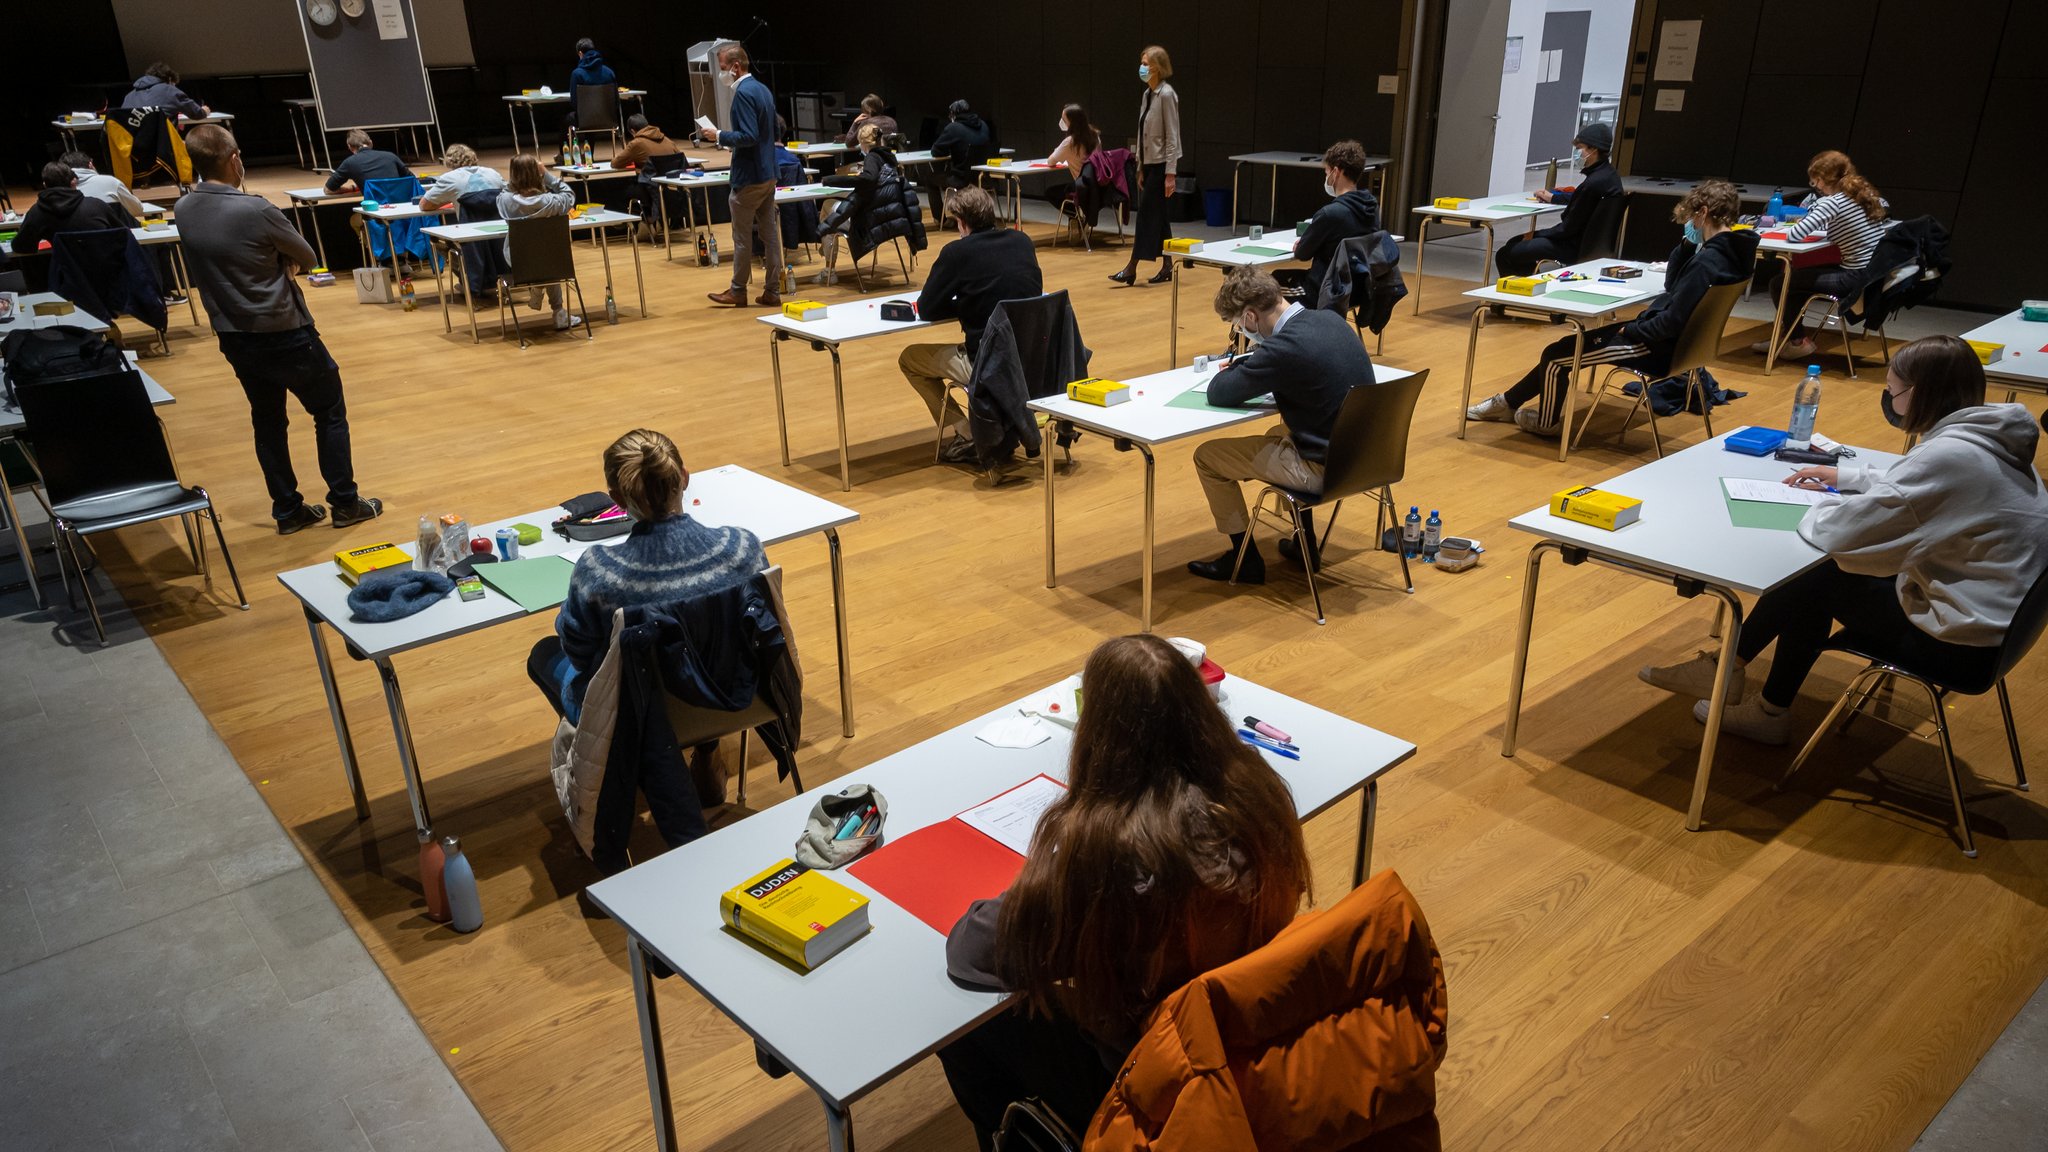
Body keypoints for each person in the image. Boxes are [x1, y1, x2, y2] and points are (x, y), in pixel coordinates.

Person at [937, 633, 1313, 1149]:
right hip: (1251, 1036)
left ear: (1098, 734)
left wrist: (1045, 873)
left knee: (965, 1026)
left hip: (1154, 1079)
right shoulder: (1261, 792)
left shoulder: (1108, 853)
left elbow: (971, 951)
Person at [1639, 336, 2048, 744]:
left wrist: (1816, 506)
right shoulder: (1991, 437)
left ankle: (1734, 676)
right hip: (2002, 628)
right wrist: (1850, 478)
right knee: (1826, 575)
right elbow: (1922, 490)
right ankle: (1747, 688)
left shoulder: (1952, 456)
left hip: (1960, 645)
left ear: (1918, 393)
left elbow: (1840, 532)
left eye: (1892, 391)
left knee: (1820, 571)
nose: (1889, 399)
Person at [175, 126, 382, 535]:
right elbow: (305, 255)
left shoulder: (183, 209)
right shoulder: (255, 209)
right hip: (286, 331)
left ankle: (288, 511)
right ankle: (344, 503)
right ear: (235, 159)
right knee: (329, 413)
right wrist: (281, 264)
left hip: (234, 336)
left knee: (267, 422)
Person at [1467, 179, 1758, 437]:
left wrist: (1630, 328)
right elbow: (1672, 287)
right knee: (1567, 345)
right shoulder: (1730, 255)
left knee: (1556, 355)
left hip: (1654, 346)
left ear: (1703, 213)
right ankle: (1507, 403)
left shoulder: (1707, 263)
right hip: (1677, 345)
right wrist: (1685, 245)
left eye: (1692, 218)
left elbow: (1670, 322)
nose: (1690, 224)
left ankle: (1546, 423)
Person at [528, 429, 768, 724]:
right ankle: (708, 751)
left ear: (616, 498)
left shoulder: (600, 573)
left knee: (543, 654)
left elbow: (579, 653)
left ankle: (624, 763)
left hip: (643, 721)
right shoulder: (743, 548)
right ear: (684, 478)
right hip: (740, 698)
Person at [1185, 267, 1378, 585]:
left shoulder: (1284, 347)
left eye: (1238, 324)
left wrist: (1242, 363)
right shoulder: (1330, 319)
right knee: (1277, 433)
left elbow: (1220, 392)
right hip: (1367, 460)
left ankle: (1243, 560)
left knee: (1207, 457)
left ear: (1249, 317)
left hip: (1325, 470)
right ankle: (1306, 547)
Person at [897, 187, 1042, 457]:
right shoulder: (1022, 241)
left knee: (909, 359)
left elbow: (927, 308)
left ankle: (966, 431)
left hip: (988, 363)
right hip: (1031, 359)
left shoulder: (956, 253)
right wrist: (974, 300)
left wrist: (965, 302)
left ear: (962, 222)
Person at [1749, 149, 1889, 359]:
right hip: (1872, 274)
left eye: (1815, 181)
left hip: (1854, 277)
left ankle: (1796, 341)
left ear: (1823, 179)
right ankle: (1791, 338)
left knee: (1780, 283)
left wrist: (1815, 211)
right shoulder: (1864, 195)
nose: (1816, 186)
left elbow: (1796, 234)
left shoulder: (1833, 202)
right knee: (1795, 279)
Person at [696, 44, 785, 307]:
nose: (721, 73)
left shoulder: (744, 93)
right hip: (769, 172)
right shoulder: (762, 89)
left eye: (723, 68)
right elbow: (772, 133)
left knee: (742, 238)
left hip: (750, 177)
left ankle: (738, 290)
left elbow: (748, 136)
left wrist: (719, 135)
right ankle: (772, 291)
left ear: (735, 67)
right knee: (770, 237)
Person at [1493, 122, 1623, 278]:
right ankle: (1526, 287)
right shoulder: (1608, 176)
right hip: (1592, 244)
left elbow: (1566, 229)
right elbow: (1580, 200)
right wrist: (1554, 197)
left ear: (1593, 149)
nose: (1577, 152)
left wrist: (1536, 234)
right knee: (1519, 245)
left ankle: (1516, 294)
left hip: (1572, 246)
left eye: (1580, 147)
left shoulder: (1592, 184)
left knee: (1506, 253)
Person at [814, 122, 924, 285]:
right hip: (890, 217)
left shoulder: (872, 157)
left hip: (871, 220)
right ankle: (826, 249)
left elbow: (869, 179)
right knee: (831, 209)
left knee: (827, 206)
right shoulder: (889, 159)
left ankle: (829, 268)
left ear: (864, 144)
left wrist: (832, 180)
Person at [1109, 46, 1181, 286]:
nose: (1142, 67)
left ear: (1158, 67)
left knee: (1146, 217)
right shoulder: (1147, 95)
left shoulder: (1167, 94)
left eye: (1146, 63)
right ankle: (1169, 265)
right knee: (1159, 217)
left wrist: (1171, 173)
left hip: (1162, 165)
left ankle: (1132, 267)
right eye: (1142, 62)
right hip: (1149, 165)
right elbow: (1142, 133)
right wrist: (1140, 166)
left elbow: (1172, 135)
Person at [496, 154, 584, 332]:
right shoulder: (553, 202)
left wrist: (517, 175)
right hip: (553, 261)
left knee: (540, 259)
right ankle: (558, 310)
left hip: (519, 260)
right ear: (538, 175)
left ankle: (538, 290)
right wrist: (546, 175)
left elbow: (505, 190)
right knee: (547, 258)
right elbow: (569, 193)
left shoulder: (505, 202)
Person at [1293, 139, 1381, 294]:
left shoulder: (1330, 213)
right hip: (1360, 288)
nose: (1326, 177)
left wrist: (1303, 244)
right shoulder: (1372, 207)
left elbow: (1302, 253)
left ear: (1336, 172)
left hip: (1326, 288)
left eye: (1326, 171)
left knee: (1267, 291)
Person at [9, 163, 132, 255]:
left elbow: (20, 246)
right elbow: (124, 234)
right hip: (108, 275)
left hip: (67, 280)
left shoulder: (36, 212)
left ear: (45, 185)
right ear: (73, 182)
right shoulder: (97, 205)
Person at [925, 99, 993, 226]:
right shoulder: (983, 125)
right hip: (983, 178)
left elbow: (936, 151)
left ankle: (941, 220)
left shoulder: (953, 128)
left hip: (962, 179)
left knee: (929, 178)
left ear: (953, 114)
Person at [1039, 103, 1101, 213]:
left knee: (1050, 192)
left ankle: (1076, 216)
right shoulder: (1095, 136)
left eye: (1064, 119)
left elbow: (1050, 161)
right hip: (1098, 186)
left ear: (1072, 123)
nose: (1062, 122)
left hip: (1082, 188)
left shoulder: (1070, 142)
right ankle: (1080, 216)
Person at [58, 151, 145, 222]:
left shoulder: (58, 191)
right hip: (115, 239)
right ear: (90, 165)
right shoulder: (111, 182)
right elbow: (137, 209)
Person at [417, 144, 504, 211]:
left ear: (448, 160)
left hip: (470, 227)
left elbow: (424, 205)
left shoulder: (448, 178)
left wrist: (451, 199)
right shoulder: (492, 173)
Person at [323, 129, 412, 194]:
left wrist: (352, 189)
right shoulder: (390, 156)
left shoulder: (349, 163)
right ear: (371, 143)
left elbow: (328, 190)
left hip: (376, 212)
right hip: (402, 207)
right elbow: (412, 179)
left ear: (349, 147)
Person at [120, 62, 206, 119]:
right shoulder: (169, 90)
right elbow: (197, 114)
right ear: (169, 79)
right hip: (161, 144)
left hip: (132, 144)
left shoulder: (129, 96)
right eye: (173, 84)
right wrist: (204, 111)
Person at [613, 113, 683, 169]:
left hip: (650, 183)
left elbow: (615, 164)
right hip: (671, 180)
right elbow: (681, 159)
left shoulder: (636, 143)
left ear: (633, 131)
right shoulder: (667, 140)